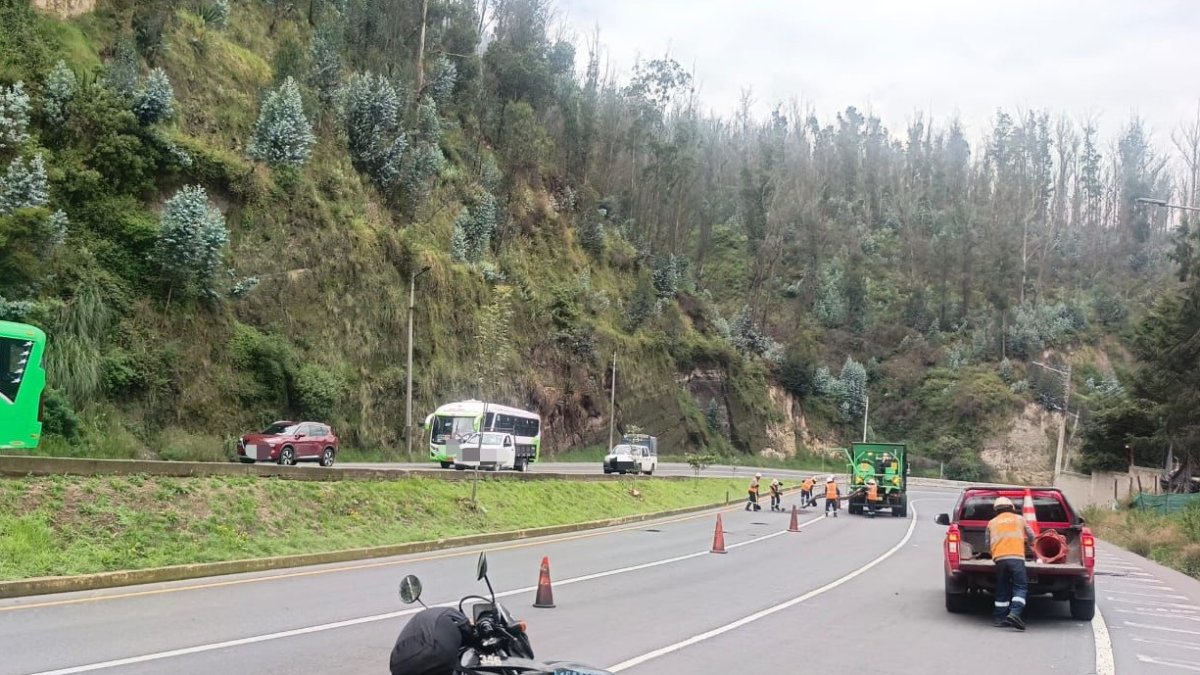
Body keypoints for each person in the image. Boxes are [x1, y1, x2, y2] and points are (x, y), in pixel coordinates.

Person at [985, 496, 1036, 631]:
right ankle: (1014, 614)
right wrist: (1030, 545)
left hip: (999, 559)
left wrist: (992, 552)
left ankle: (1000, 618)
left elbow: (987, 543)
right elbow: (1031, 535)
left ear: (996, 510)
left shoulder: (991, 522)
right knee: (1021, 586)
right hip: (1016, 558)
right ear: (1012, 508)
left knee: (1002, 587)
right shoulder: (1020, 519)